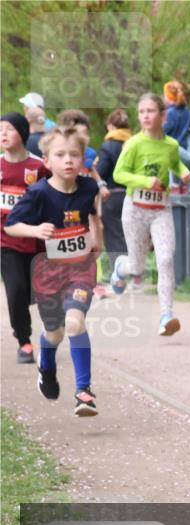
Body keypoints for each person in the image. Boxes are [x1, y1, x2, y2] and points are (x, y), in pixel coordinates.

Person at [5, 125, 103, 416]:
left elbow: (92, 214)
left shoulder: (89, 187)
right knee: (55, 333)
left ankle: (84, 391)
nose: (68, 160)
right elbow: (11, 225)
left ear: (83, 159)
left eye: (74, 154)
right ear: (47, 161)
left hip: (80, 270)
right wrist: (36, 230)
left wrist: (96, 239)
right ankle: (46, 367)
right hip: (48, 274)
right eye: (60, 155)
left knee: (74, 323)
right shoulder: (38, 193)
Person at [110, 93, 190, 336]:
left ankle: (166, 315)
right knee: (137, 267)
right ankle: (120, 269)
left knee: (165, 259)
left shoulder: (171, 145)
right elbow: (118, 174)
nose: (145, 116)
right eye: (142, 112)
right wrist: (146, 181)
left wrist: (183, 172)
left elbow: (174, 163)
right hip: (135, 210)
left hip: (161, 210)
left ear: (163, 115)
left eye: (151, 111)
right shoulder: (133, 144)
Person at [1, 112, 49, 364]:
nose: (3, 133)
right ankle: (24, 340)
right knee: (15, 289)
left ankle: (26, 312)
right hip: (6, 241)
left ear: (22, 132)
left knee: (32, 292)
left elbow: (55, 194)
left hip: (36, 240)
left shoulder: (39, 167)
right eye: (0, 129)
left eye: (9, 129)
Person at [94, 109, 132, 276]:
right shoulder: (133, 144)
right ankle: (134, 272)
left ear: (110, 126)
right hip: (132, 196)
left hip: (112, 196)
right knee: (129, 235)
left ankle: (119, 274)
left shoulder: (108, 146)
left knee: (114, 235)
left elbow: (101, 172)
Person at [163, 80, 190, 198]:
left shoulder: (169, 113)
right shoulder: (188, 112)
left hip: (172, 148)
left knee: (172, 168)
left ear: (168, 97)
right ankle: (183, 188)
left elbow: (164, 130)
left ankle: (174, 187)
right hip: (184, 147)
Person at [56, 110, 98, 178]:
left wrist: (100, 183)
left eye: (86, 134)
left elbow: (92, 172)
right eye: (79, 134)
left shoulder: (90, 153)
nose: (84, 138)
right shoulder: (57, 156)